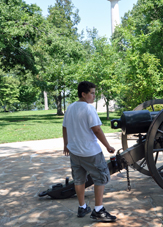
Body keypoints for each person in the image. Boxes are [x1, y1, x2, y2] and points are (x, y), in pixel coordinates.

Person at [63, 81, 117, 222]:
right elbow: (97, 129)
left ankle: (82, 207)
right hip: (90, 152)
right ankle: (98, 210)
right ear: (84, 94)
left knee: (79, 179)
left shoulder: (70, 107)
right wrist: (107, 146)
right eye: (92, 93)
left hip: (75, 152)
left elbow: (64, 127)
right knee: (101, 177)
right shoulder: (88, 109)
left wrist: (66, 145)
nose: (94, 96)